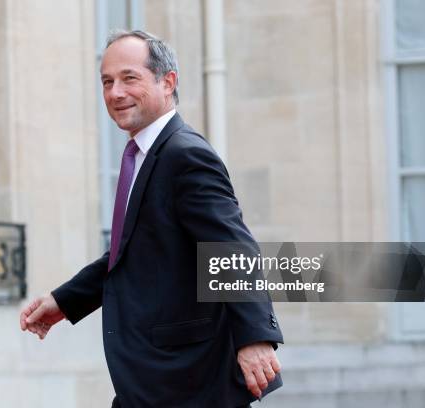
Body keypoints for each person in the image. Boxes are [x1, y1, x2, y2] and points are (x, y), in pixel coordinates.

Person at [20, 29, 283, 407]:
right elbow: (131, 251)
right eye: (107, 82)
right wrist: (64, 301)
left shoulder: (185, 154)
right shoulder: (144, 153)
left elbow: (231, 248)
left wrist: (254, 338)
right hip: (154, 383)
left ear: (167, 81)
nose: (115, 93)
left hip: (190, 384)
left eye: (129, 78)